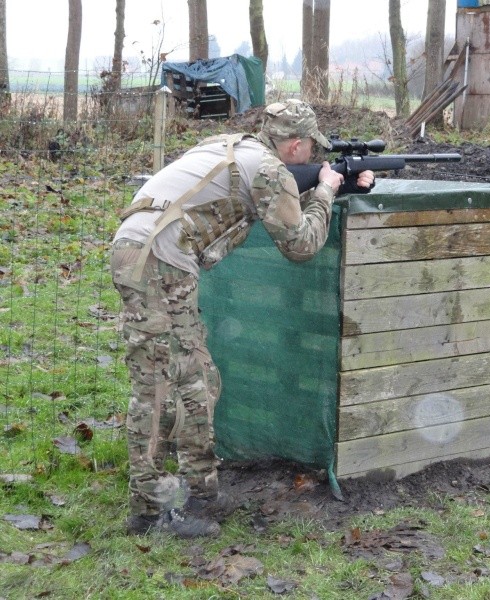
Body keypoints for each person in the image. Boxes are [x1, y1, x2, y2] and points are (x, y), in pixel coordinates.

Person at [110, 100, 375, 538]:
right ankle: (160, 509)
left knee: (176, 380)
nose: (311, 157)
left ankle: (192, 494)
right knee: (182, 385)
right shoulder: (271, 170)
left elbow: (266, 205)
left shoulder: (230, 145)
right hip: (161, 260)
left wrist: (336, 186)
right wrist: (325, 190)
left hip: (136, 248)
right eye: (310, 149)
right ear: (295, 145)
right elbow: (302, 245)